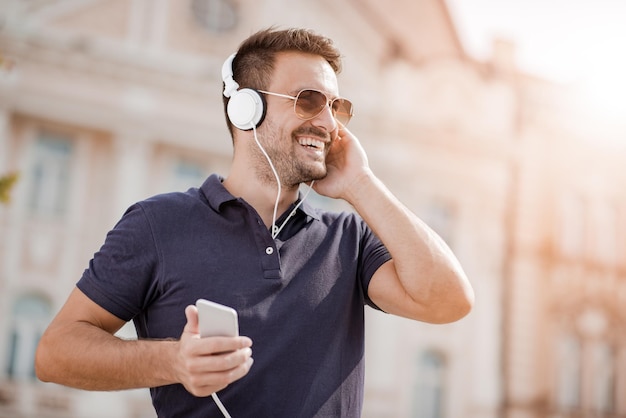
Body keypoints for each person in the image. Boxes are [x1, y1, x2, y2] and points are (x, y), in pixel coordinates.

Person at [35, 27, 474, 417]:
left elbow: (450, 301)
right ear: (246, 109)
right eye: (309, 101)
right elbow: (56, 353)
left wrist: (361, 182)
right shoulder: (157, 223)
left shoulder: (349, 241)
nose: (327, 123)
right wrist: (174, 362)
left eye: (336, 107)